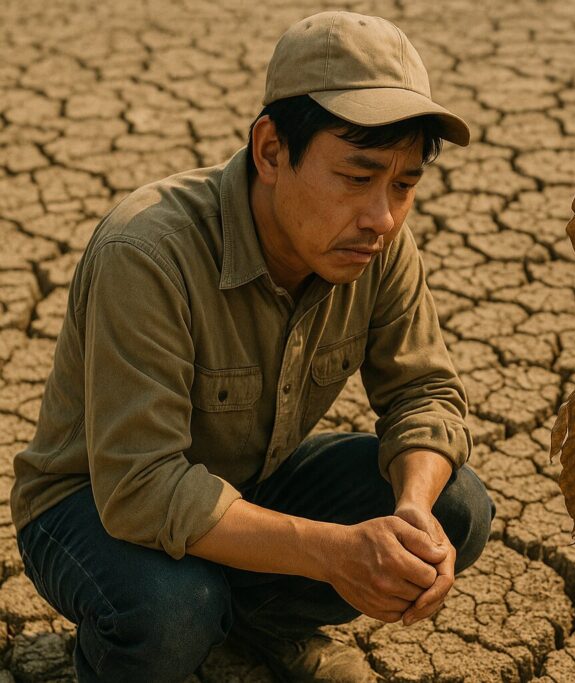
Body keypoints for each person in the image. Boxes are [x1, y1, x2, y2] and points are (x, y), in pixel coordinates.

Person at [9, 10, 494, 683]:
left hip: (245, 487)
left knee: (455, 507)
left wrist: (410, 509)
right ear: (270, 150)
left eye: (404, 183)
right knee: (175, 608)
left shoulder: (377, 244)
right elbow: (140, 487)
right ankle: (95, 663)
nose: (383, 216)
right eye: (357, 176)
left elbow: (424, 393)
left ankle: (263, 621)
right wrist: (333, 553)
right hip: (90, 505)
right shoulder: (148, 252)